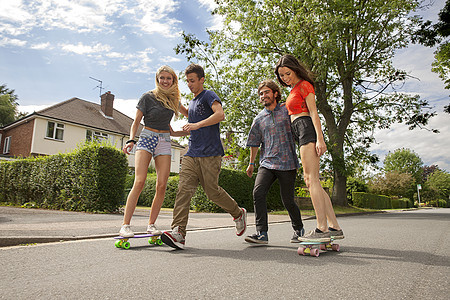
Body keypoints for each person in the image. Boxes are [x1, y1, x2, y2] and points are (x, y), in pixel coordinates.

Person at [161, 63, 247, 249]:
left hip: (210, 153)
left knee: (212, 192)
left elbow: (220, 115)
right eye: (187, 81)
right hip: (192, 152)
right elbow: (191, 124)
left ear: (202, 79)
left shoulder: (208, 95)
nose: (190, 84)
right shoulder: (192, 103)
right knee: (183, 190)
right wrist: (176, 133)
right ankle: (179, 233)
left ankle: (238, 213)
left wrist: (197, 125)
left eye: (192, 81)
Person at [275, 54, 344, 242]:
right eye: (281, 76)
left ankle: (322, 228)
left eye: (287, 73)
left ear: (295, 69)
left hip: (306, 128)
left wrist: (320, 139)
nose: (285, 78)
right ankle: (334, 226)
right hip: (299, 131)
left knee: (310, 179)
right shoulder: (293, 90)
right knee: (313, 181)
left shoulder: (305, 85)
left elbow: (314, 113)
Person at [119, 65, 188, 238]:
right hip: (147, 137)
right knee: (140, 181)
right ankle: (125, 225)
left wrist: (194, 128)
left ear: (173, 80)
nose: (165, 81)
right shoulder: (147, 97)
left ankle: (151, 225)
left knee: (162, 185)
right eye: (162, 78)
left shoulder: (174, 100)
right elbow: (136, 122)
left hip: (165, 140)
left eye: (168, 78)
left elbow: (189, 116)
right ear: (157, 79)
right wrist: (131, 140)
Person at [245, 79, 305, 244]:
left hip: (287, 162)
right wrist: (251, 163)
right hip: (267, 163)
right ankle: (262, 233)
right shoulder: (259, 119)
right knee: (258, 192)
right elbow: (254, 142)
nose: (263, 96)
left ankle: (298, 228)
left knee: (288, 200)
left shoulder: (287, 110)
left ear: (275, 93)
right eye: (261, 93)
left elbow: (301, 126)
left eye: (266, 92)